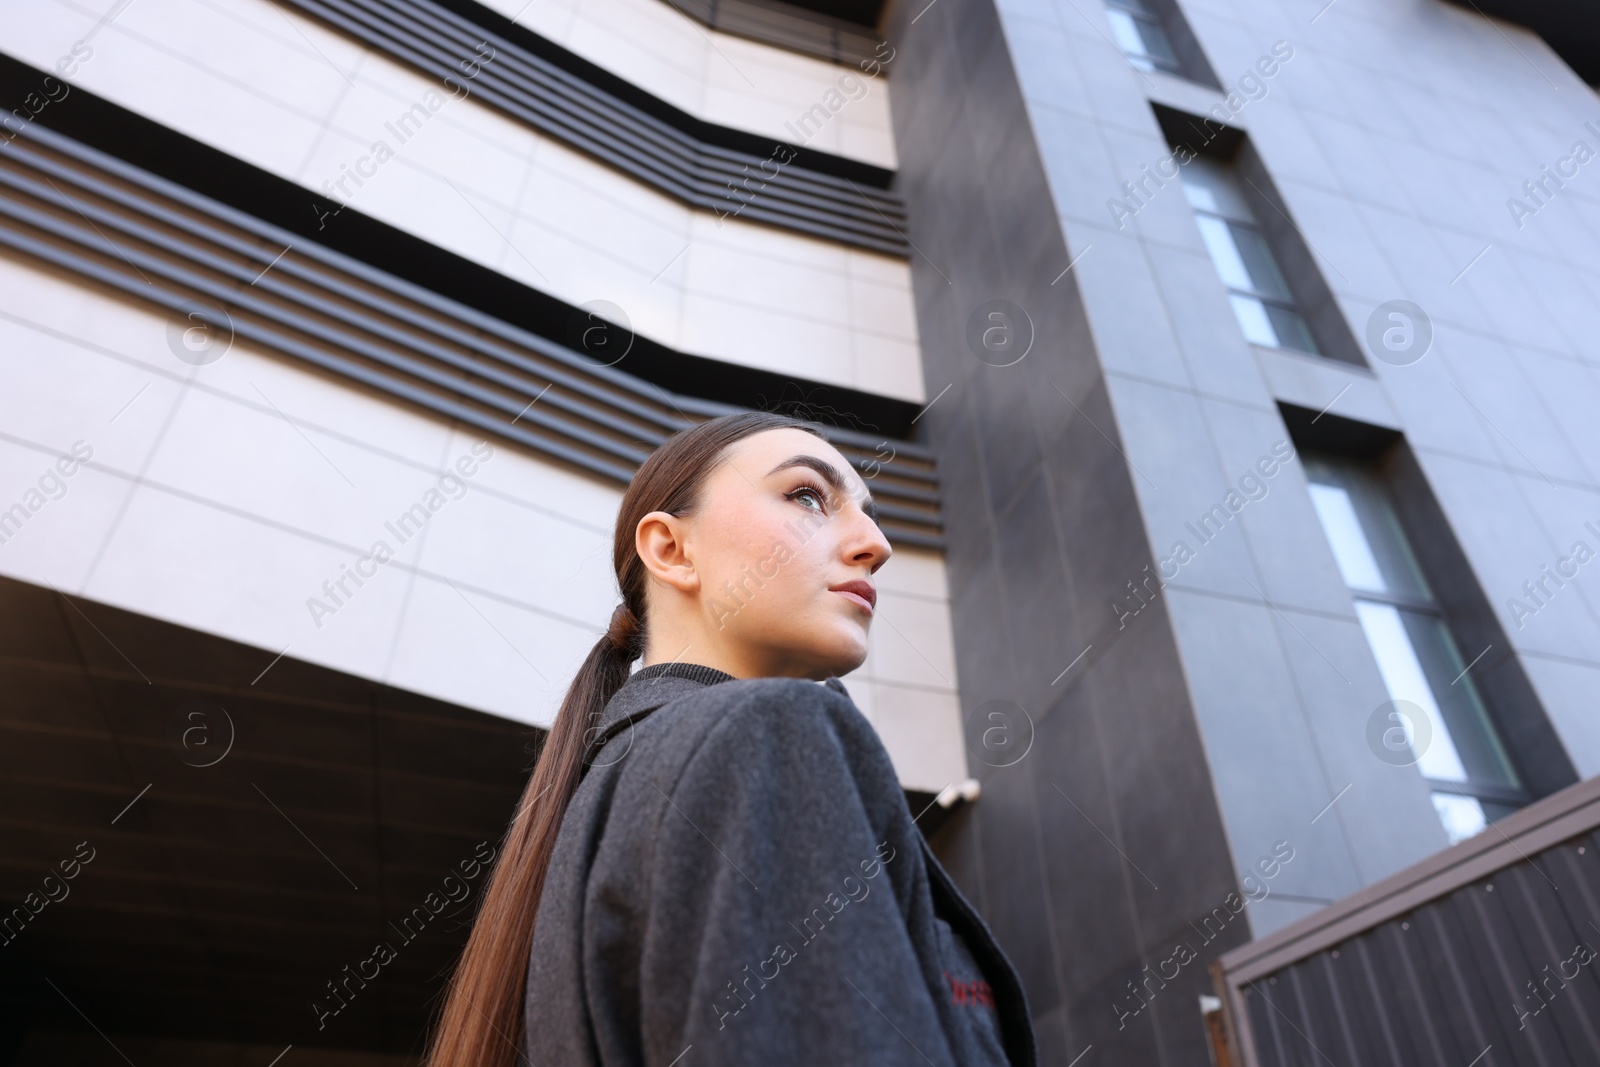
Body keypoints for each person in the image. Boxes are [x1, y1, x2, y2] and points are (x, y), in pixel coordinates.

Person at [425, 411, 1036, 1066]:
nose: (876, 543)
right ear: (671, 550)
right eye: (808, 495)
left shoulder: (615, 789)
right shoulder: (769, 737)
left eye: (868, 510)